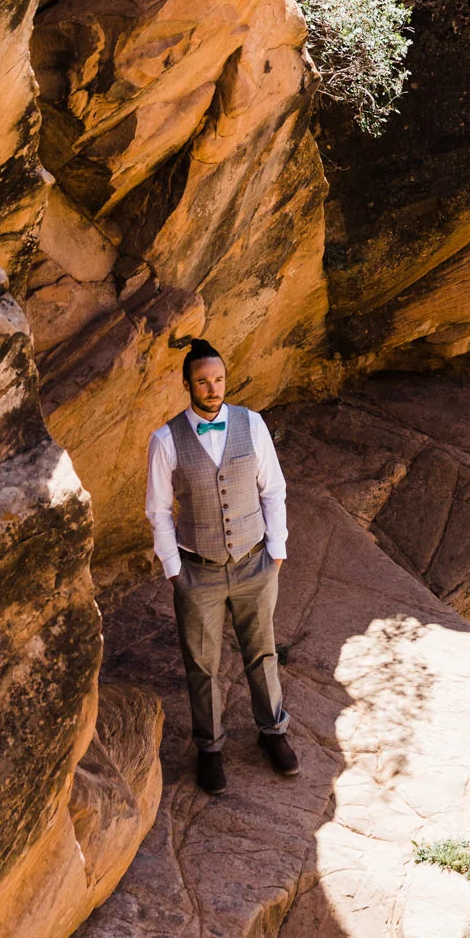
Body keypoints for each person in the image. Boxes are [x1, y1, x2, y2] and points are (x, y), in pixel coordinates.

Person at [144, 339, 298, 795]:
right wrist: (175, 569)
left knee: (262, 652)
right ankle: (210, 748)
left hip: (255, 562)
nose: (212, 389)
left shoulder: (252, 424)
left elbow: (273, 489)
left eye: (218, 379)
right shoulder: (166, 439)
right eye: (202, 381)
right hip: (198, 571)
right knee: (203, 665)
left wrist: (278, 548)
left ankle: (274, 732)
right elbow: (158, 511)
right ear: (187, 384)